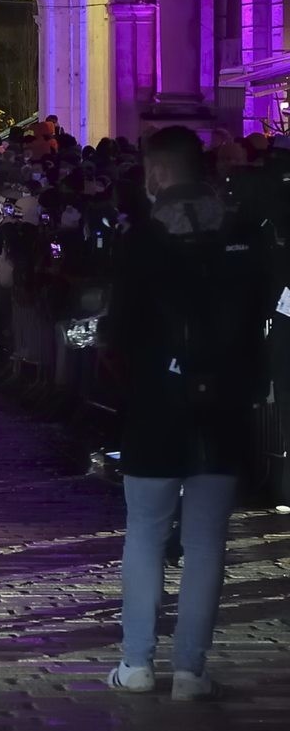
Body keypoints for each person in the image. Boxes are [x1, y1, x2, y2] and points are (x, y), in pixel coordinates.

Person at [102, 126, 275, 697]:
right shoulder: (243, 238)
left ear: (156, 175)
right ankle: (191, 670)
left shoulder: (143, 243)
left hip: (156, 404)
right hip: (223, 407)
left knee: (146, 536)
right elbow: (259, 321)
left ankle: (136, 663)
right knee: (206, 545)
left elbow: (119, 329)